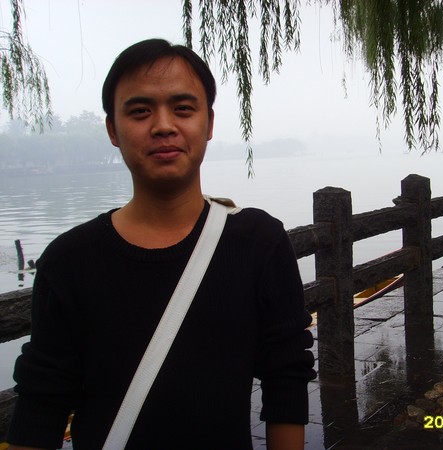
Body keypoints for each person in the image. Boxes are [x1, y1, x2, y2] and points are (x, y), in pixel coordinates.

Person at [7, 38, 316, 449]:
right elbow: (41, 403)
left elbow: (286, 376)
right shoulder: (69, 261)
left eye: (183, 108)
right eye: (140, 111)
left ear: (208, 123)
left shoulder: (258, 242)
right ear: (113, 130)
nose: (164, 126)